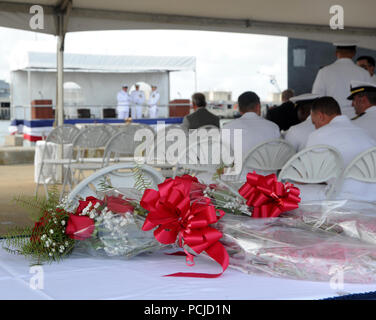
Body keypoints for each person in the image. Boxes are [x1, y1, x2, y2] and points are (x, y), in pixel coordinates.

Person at [300, 96, 376, 202]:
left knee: (292, 189)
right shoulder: (364, 132)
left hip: (342, 198)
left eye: (314, 123)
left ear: (321, 116)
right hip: (372, 197)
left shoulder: (318, 135)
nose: (315, 127)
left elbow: (306, 177)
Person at [312, 42, 372, 119]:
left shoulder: (324, 71)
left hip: (331, 118)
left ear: (336, 53)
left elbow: (317, 98)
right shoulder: (364, 73)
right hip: (358, 117)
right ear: (354, 53)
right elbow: (370, 99)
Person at [223, 91, 280, 161]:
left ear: (239, 109)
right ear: (258, 107)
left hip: (241, 171)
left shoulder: (227, 128)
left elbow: (224, 159)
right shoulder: (273, 127)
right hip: (270, 171)